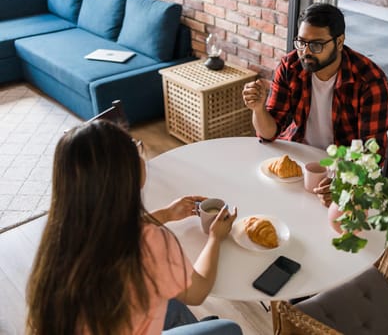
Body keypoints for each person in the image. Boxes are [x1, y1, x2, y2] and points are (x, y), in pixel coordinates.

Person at [25, 120, 242, 335]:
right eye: (134, 147)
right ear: (122, 174)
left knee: (169, 298)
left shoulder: (60, 234)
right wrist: (215, 237)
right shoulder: (152, 243)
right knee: (229, 329)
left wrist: (166, 214)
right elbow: (198, 292)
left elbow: (113, 236)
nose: (140, 152)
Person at [242, 3, 388, 207]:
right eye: (301, 42)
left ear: (339, 42)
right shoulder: (290, 66)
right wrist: (258, 108)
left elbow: (374, 154)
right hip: (297, 157)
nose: (306, 52)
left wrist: (343, 183)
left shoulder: (369, 81)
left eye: (316, 45)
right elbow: (268, 134)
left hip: (343, 167)